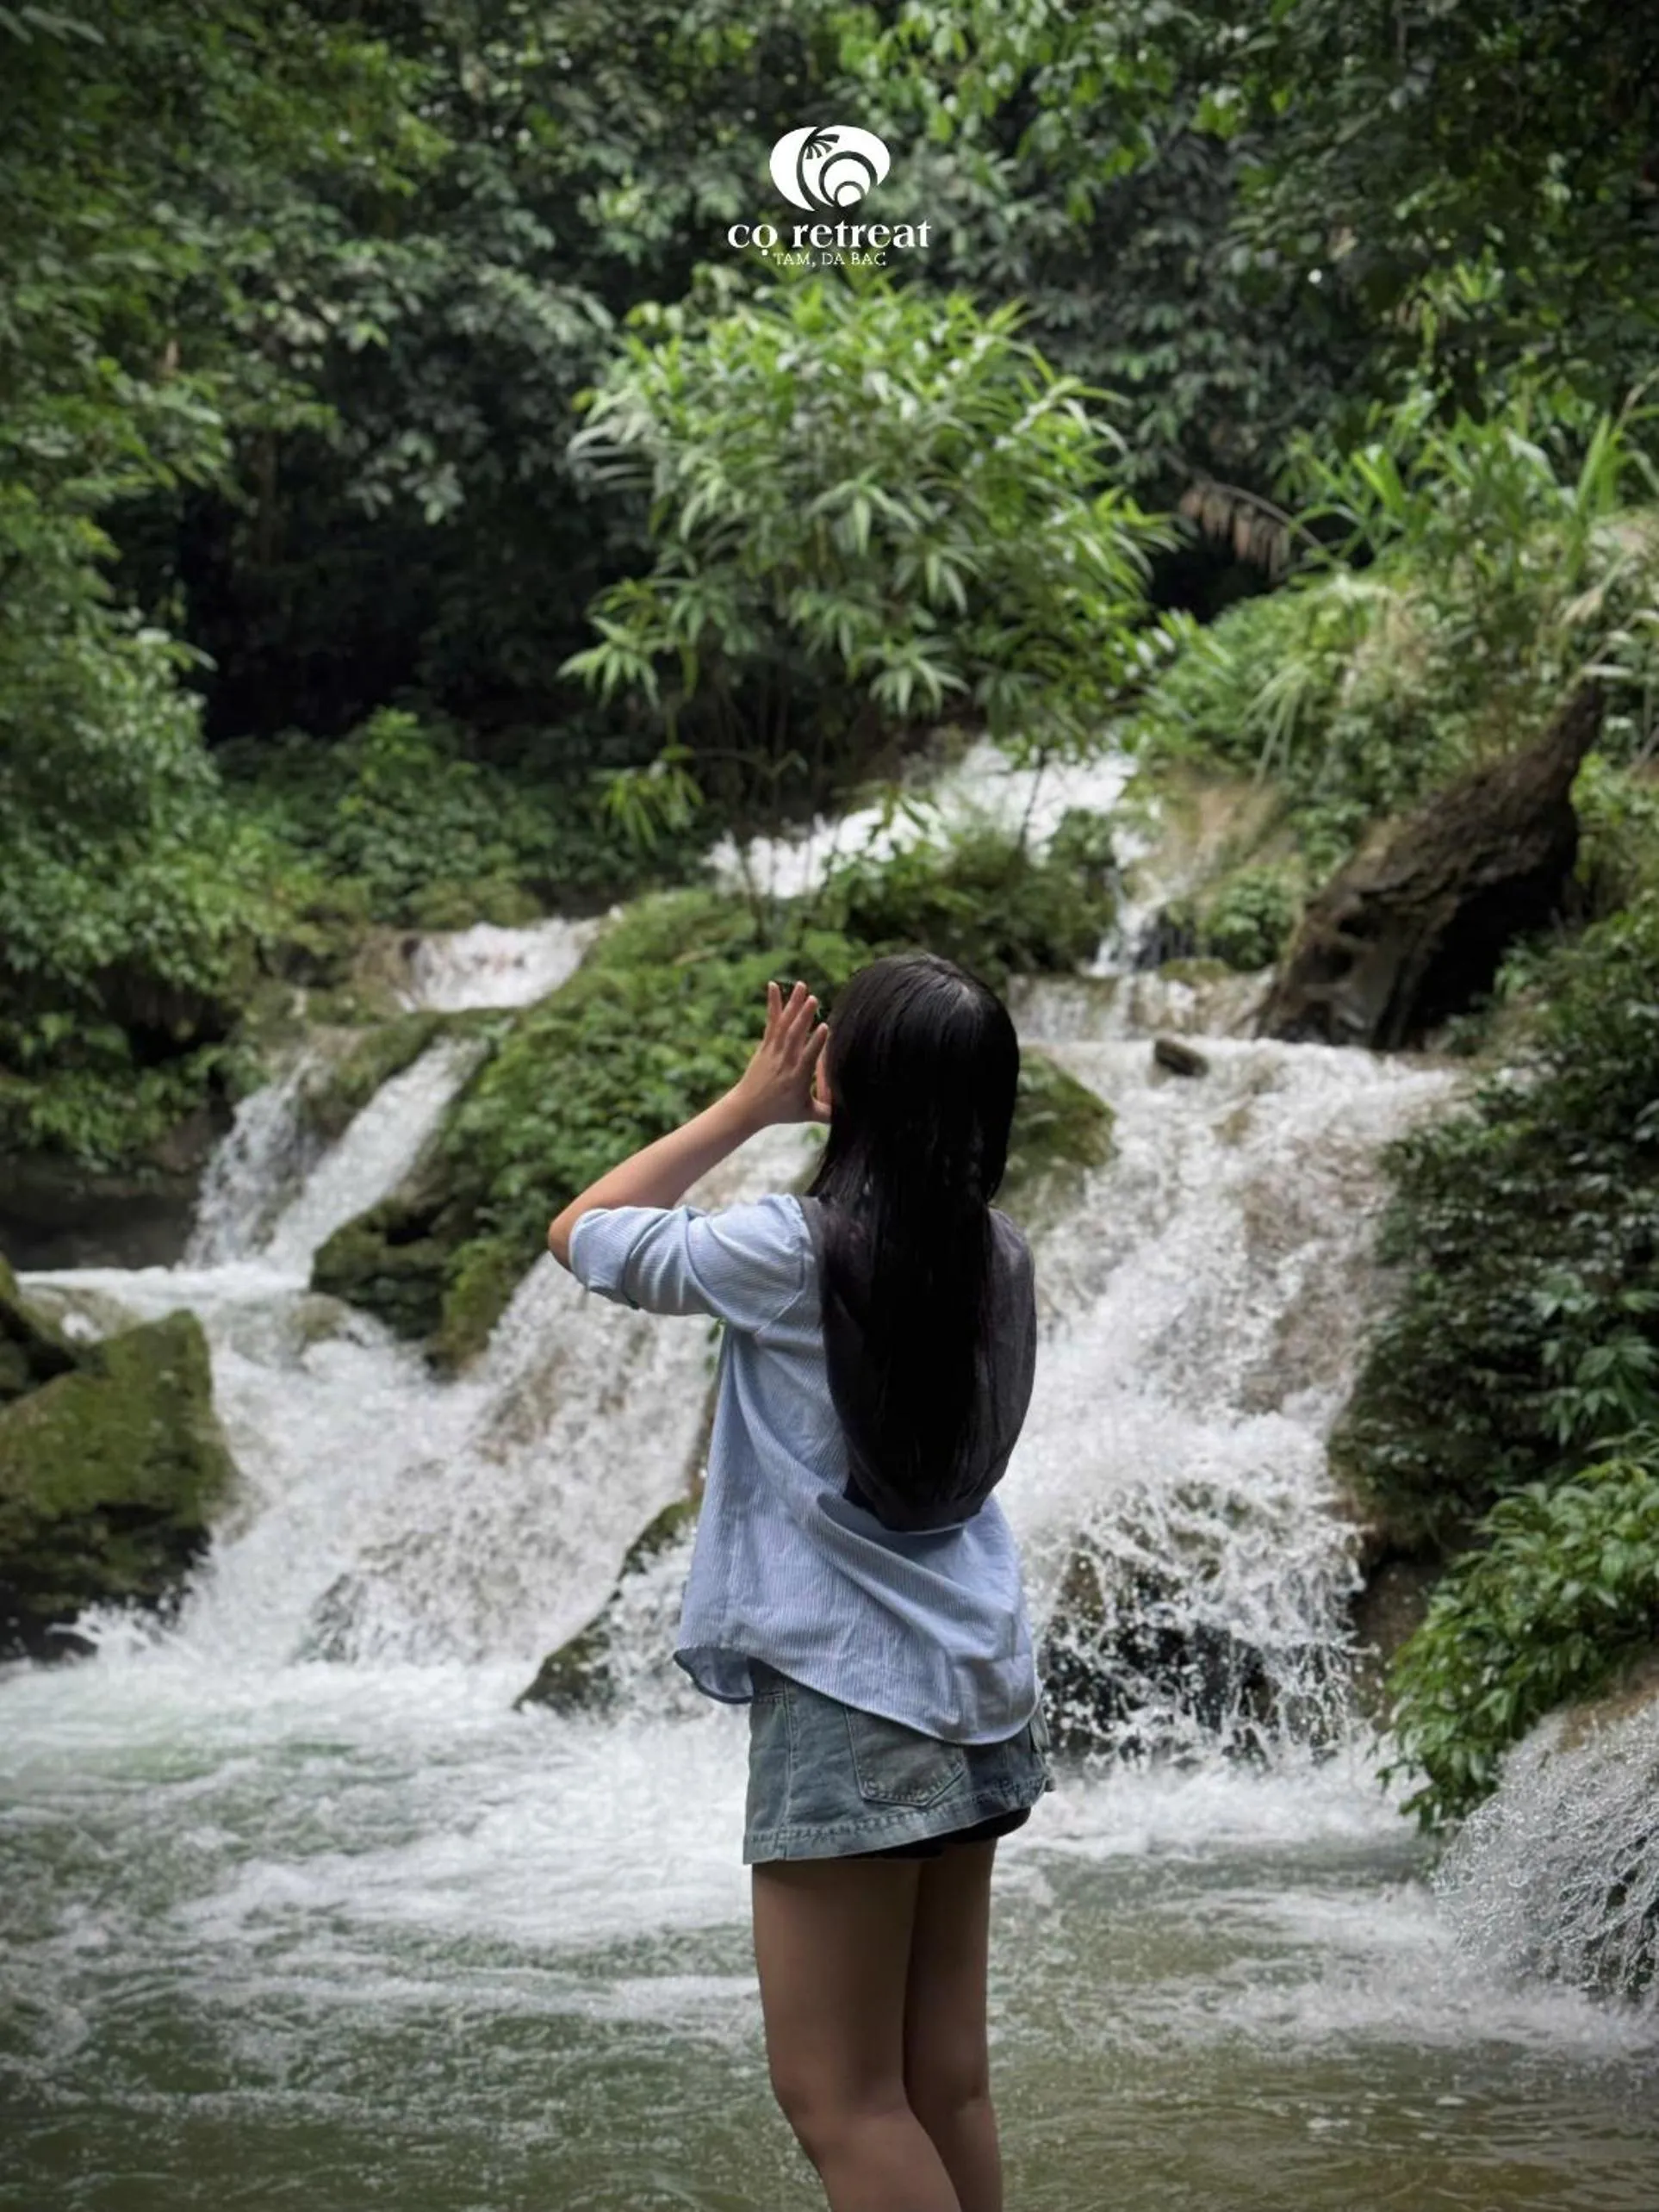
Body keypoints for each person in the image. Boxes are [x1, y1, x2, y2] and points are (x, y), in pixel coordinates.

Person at [547, 953, 1053, 2212]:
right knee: (944, 2084)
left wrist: (745, 1106)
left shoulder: (787, 1248)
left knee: (837, 2097)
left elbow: (585, 1234)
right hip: (975, 1684)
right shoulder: (1000, 1255)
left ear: (856, 1084)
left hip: (848, 1696)